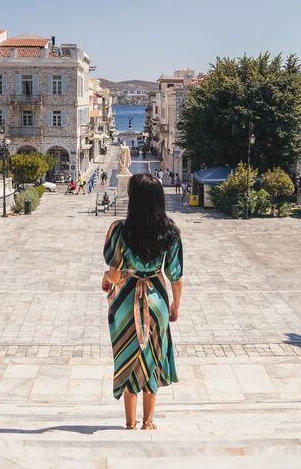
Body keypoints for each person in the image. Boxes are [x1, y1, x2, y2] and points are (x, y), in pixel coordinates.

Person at [102, 173, 182, 430]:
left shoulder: (119, 230)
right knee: (152, 356)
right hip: (157, 301)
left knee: (128, 355)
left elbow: (114, 273)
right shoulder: (170, 231)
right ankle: (149, 422)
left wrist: (106, 278)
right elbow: (176, 276)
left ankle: (129, 422)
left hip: (126, 302)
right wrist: (175, 305)